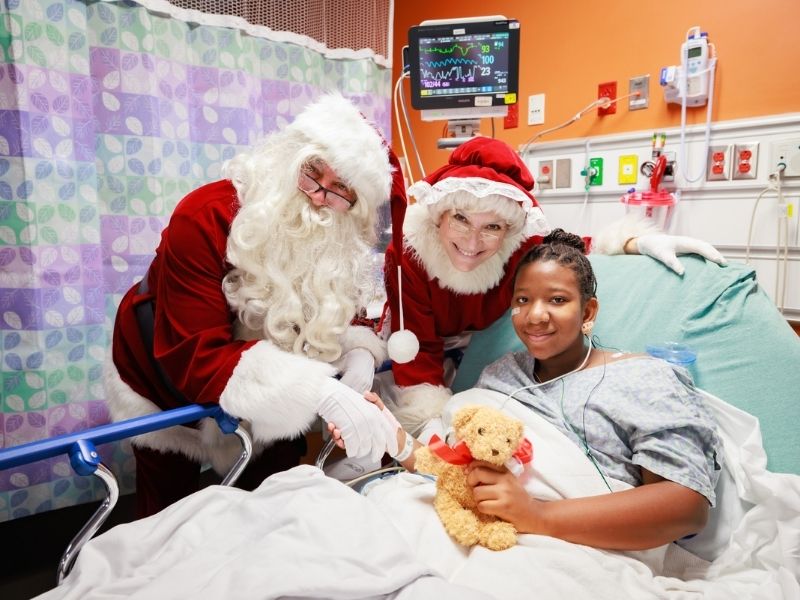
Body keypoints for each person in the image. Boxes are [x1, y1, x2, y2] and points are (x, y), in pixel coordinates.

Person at [331, 229, 722, 551]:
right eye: (523, 300)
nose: (535, 315)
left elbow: (684, 507)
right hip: (462, 522)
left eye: (557, 300)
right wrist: (392, 437)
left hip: (564, 544)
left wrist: (534, 514)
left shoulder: (645, 378)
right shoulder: (504, 373)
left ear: (587, 312)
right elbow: (461, 470)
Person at [105, 93, 402, 517]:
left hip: (270, 382)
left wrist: (357, 353)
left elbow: (334, 314)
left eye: (340, 191)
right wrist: (319, 390)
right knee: (168, 507)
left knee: (275, 494)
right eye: (312, 173)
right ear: (288, 157)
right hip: (159, 372)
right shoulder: (202, 216)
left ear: (354, 210)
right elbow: (196, 356)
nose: (319, 197)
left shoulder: (337, 245)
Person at [378, 136, 726, 434]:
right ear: (439, 215)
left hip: (478, 351)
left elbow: (569, 252)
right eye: (461, 219)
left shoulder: (521, 251)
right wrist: (431, 429)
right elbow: (418, 347)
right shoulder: (410, 255)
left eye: (493, 227)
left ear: (510, 232)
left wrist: (637, 242)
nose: (472, 241)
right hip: (417, 345)